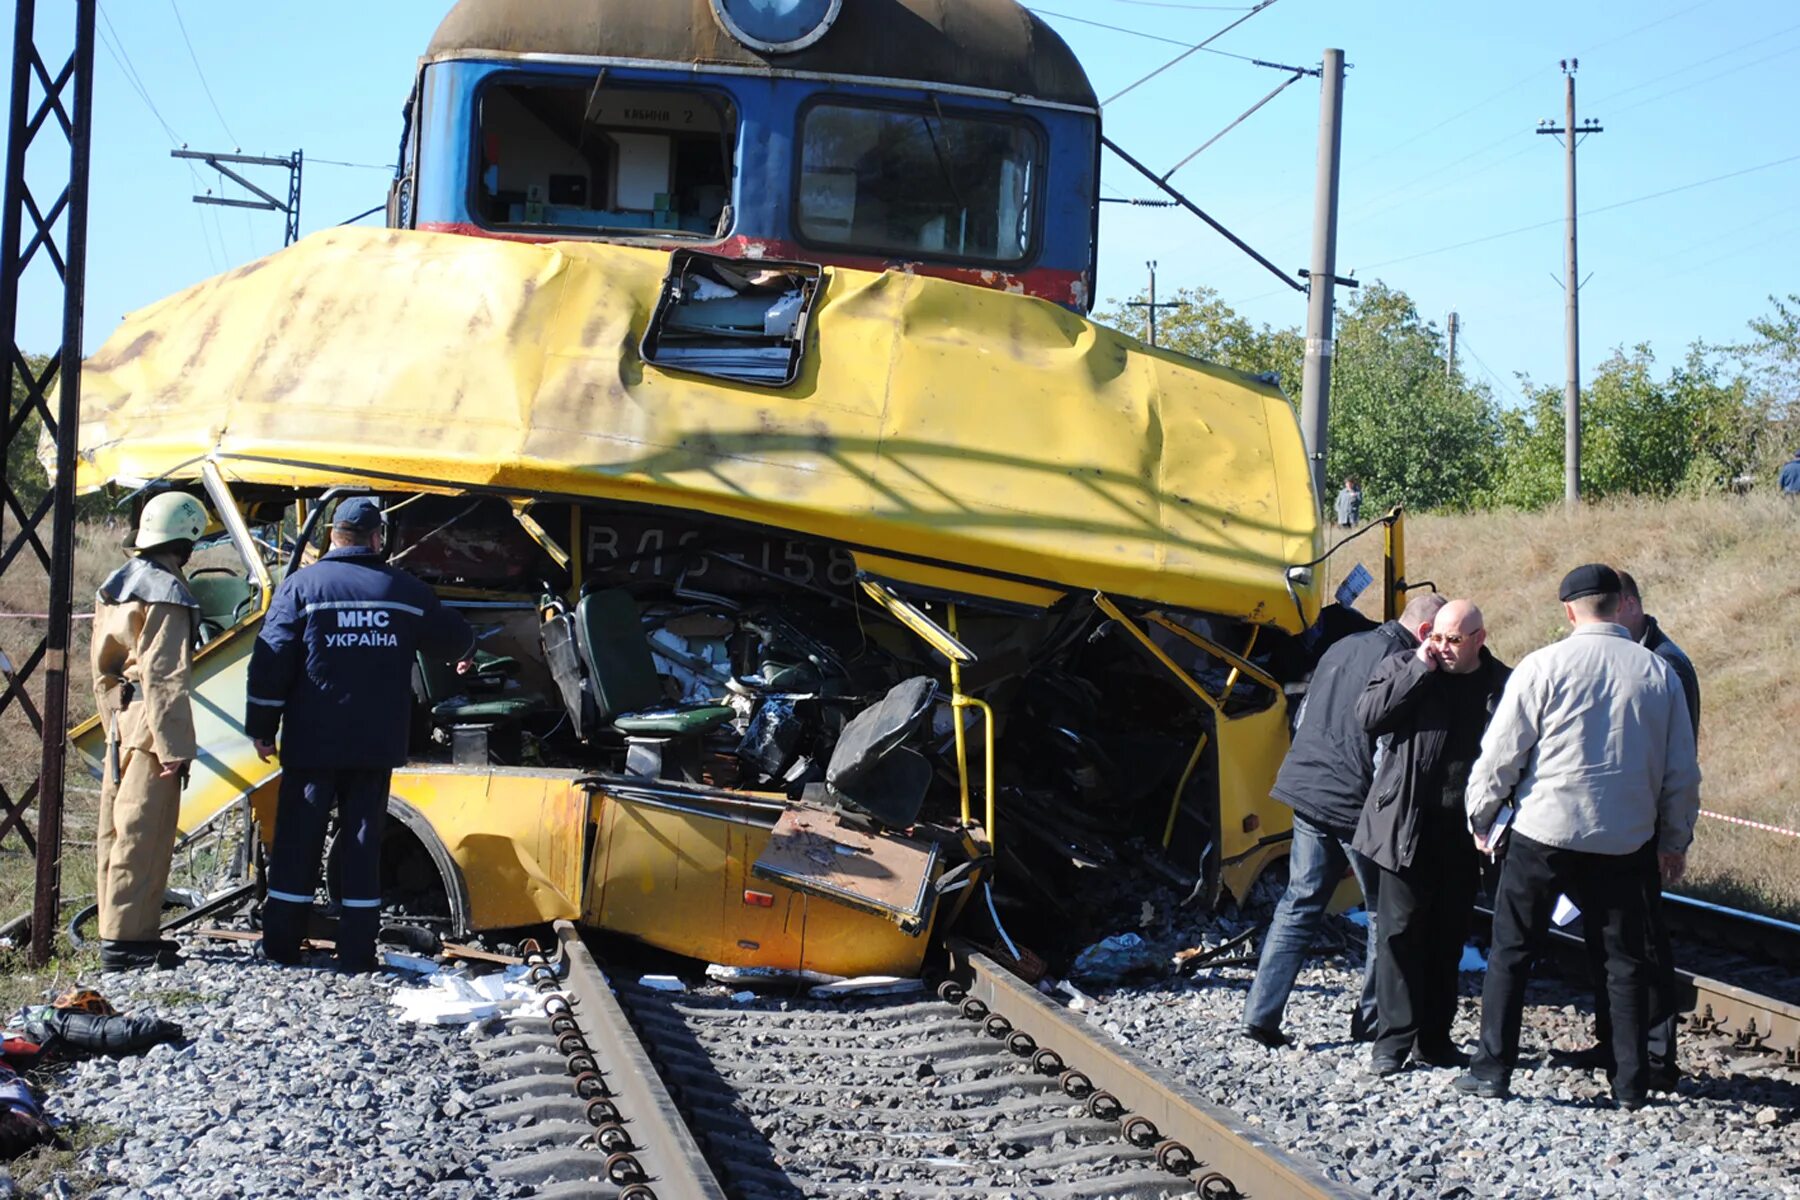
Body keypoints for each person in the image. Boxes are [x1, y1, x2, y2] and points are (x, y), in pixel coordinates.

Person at [1456, 564, 1700, 1110]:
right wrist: (1674, 839)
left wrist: (1482, 814)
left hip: (1544, 833)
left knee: (1512, 952)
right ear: (1619, 605)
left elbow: (1501, 754)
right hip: (1625, 841)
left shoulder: (1543, 666)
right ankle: (1632, 1084)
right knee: (1624, 960)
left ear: (1569, 610)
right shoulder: (1659, 674)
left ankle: (1493, 1069)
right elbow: (1681, 771)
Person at [245, 497, 475, 972]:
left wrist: (262, 727)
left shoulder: (301, 588)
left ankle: (281, 944)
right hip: (374, 745)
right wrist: (466, 650)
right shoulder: (403, 590)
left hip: (313, 742)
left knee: (297, 840)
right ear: (377, 539)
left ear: (333, 535)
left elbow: (271, 662)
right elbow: (453, 636)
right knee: (363, 842)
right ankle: (356, 952)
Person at [1241, 591, 1447, 1049]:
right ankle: (1370, 1021)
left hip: (1305, 787)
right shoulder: (1403, 664)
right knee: (1382, 913)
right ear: (1427, 634)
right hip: (1354, 803)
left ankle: (1259, 1015)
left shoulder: (1346, 643)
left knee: (1299, 901)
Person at [1352, 600, 1510, 1075]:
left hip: (1463, 832)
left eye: (1453, 641)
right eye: (1435, 637)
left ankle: (1434, 1039)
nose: (1441, 648)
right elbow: (1369, 717)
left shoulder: (1502, 683)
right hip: (1405, 824)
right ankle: (1391, 1041)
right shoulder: (1402, 666)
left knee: (1447, 938)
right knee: (1399, 935)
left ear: (1479, 639)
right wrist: (1418, 668)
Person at [1559, 570, 1700, 1089]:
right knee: (1609, 939)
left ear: (1630, 605)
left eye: (1610, 608)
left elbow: (1679, 760)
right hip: (1605, 824)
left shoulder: (1666, 665)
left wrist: (1672, 837)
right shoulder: (1620, 656)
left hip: (1642, 827)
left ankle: (1657, 1056)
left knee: (1644, 940)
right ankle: (1617, 1043)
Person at [90, 491, 210, 971]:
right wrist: (175, 747)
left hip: (122, 719)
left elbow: (102, 669)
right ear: (187, 539)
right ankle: (129, 941)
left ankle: (113, 929)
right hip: (152, 725)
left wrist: (111, 724)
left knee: (114, 831)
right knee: (145, 831)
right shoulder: (168, 591)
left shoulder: (116, 585)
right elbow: (165, 677)